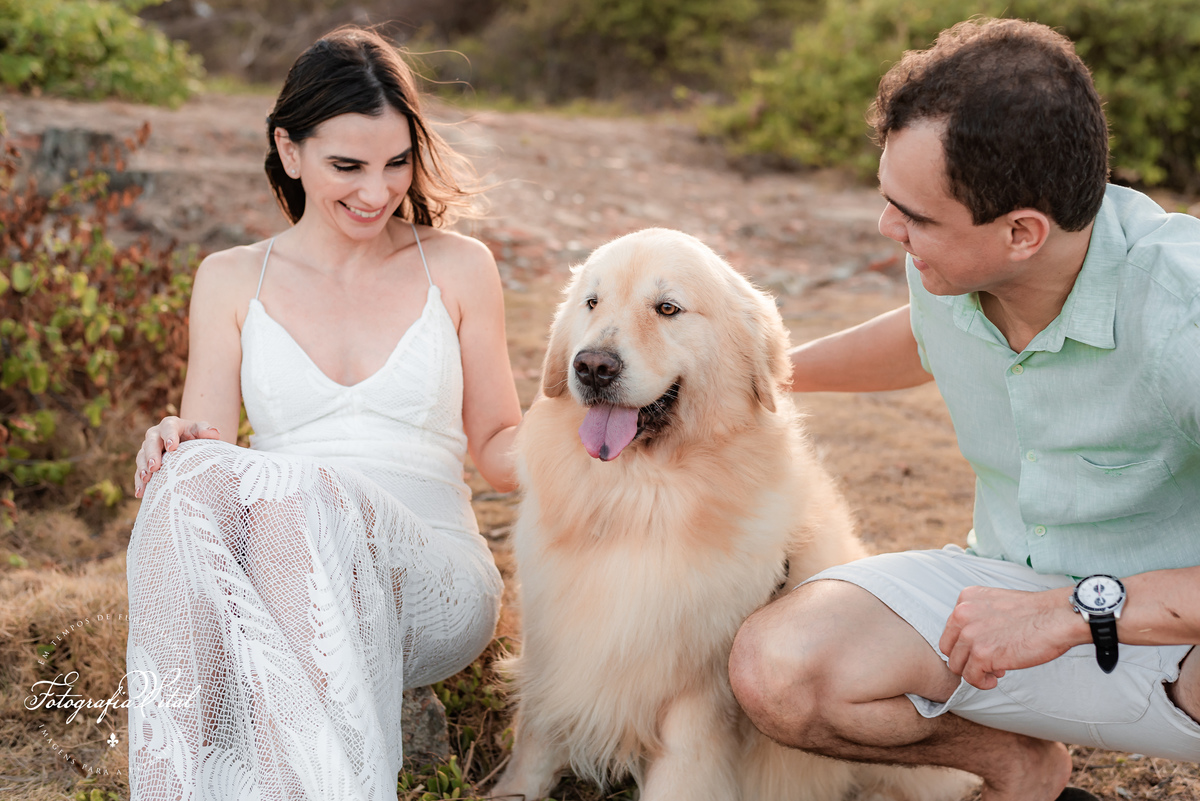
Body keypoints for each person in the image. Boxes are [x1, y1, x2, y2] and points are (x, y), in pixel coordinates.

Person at [727, 17, 1200, 801]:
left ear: (1022, 232)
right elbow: (924, 339)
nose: (890, 228)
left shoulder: (1183, 307)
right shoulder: (948, 267)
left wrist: (1070, 609)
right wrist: (761, 376)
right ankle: (1023, 770)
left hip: (1171, 637)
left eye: (914, 215)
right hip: (1001, 606)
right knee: (776, 666)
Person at [125, 27, 521, 801]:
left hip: (429, 578)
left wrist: (605, 440)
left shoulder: (459, 267)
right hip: (284, 557)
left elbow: (501, 446)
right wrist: (176, 442)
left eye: (396, 164)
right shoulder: (230, 277)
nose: (377, 193)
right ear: (290, 149)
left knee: (297, 493)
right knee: (196, 473)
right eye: (349, 165)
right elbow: (213, 460)